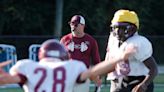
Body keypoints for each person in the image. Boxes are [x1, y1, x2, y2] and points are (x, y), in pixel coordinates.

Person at [0, 39, 137, 92]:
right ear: (63, 55)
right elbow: (93, 71)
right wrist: (120, 58)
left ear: (41, 54)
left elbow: (5, 80)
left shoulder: (27, 67)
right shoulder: (73, 67)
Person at [105, 9, 158, 92]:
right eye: (115, 27)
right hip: (120, 80)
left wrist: (143, 84)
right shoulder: (113, 40)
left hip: (138, 81)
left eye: (122, 28)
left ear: (132, 29)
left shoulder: (138, 42)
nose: (118, 31)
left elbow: (154, 68)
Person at [60, 15, 101, 92]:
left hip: (83, 76)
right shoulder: (64, 39)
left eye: (75, 24)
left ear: (83, 26)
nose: (73, 26)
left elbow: (96, 60)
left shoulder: (91, 41)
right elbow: (59, 58)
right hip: (67, 75)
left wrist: (97, 76)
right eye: (71, 24)